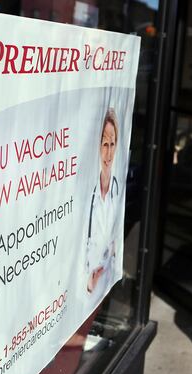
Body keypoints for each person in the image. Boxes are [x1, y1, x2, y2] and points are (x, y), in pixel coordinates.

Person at [86, 108, 120, 294]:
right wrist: (89, 282)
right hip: (88, 293)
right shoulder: (88, 196)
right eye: (104, 144)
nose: (108, 153)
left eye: (112, 144)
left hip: (107, 286)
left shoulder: (115, 189)